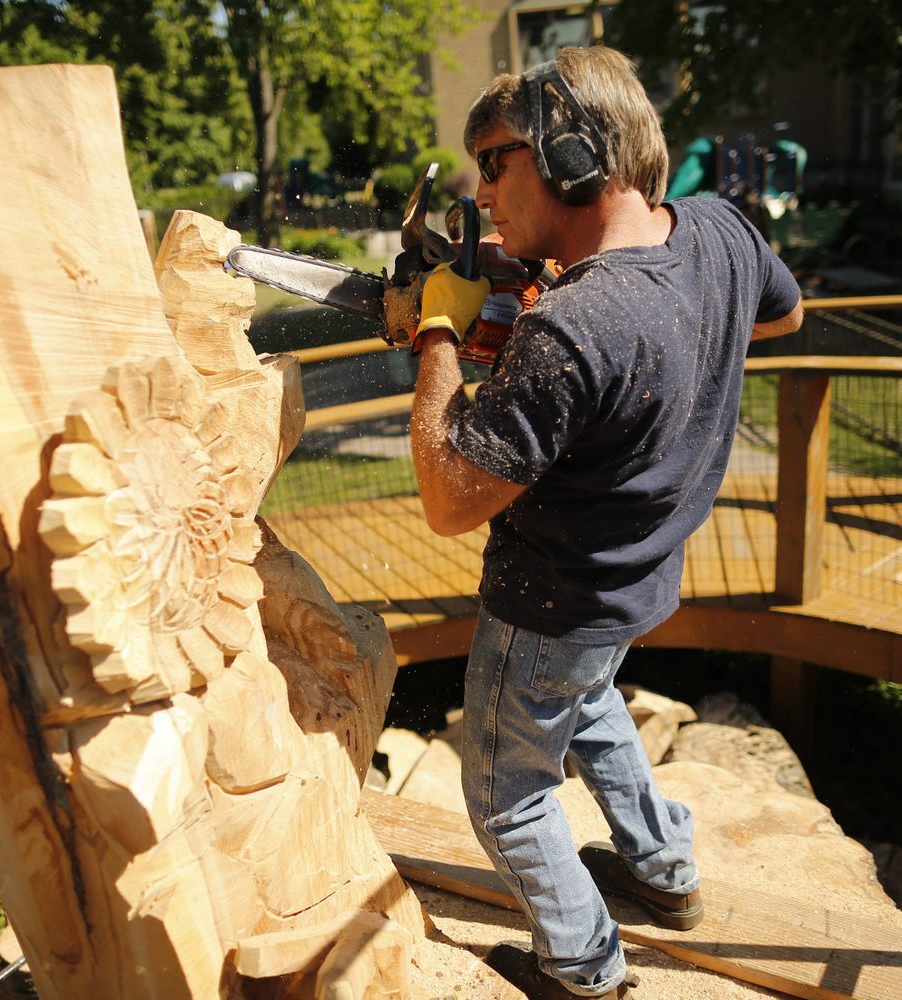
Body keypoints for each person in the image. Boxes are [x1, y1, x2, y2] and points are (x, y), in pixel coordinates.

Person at [409, 46, 803, 999]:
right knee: (586, 702)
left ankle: (586, 970)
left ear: (575, 156)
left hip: (548, 599)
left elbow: (449, 499)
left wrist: (436, 331)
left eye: (497, 165)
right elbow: (783, 319)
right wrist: (649, 360)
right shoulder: (718, 231)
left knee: (507, 793)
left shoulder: (575, 329)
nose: (485, 196)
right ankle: (663, 873)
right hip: (638, 581)